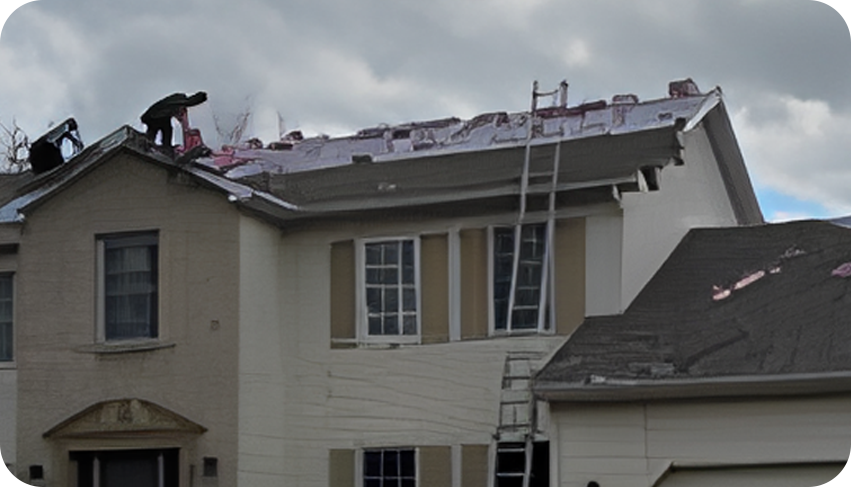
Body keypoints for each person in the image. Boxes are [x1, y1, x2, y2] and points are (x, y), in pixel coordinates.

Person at [140, 92, 207, 148]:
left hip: (155, 116)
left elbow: (177, 113)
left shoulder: (180, 99)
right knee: (165, 128)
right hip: (155, 116)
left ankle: (153, 142)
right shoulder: (181, 101)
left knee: (163, 128)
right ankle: (164, 146)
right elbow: (186, 105)